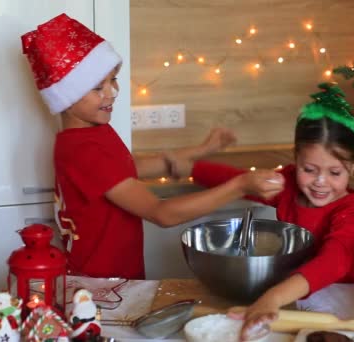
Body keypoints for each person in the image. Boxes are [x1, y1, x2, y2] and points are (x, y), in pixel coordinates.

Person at [20, 13, 284, 279]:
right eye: (98, 87)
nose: (112, 92)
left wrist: (201, 150)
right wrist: (240, 186)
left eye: (113, 80)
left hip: (110, 276)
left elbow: (126, 169)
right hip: (102, 285)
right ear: (67, 96)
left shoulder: (91, 132)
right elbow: (162, 213)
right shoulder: (84, 150)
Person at [172, 83, 354, 341]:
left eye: (335, 173)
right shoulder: (288, 185)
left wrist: (272, 298)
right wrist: (192, 169)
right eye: (309, 169)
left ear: (353, 164)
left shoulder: (352, 215)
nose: (320, 182)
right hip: (289, 304)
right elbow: (242, 181)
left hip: (342, 313)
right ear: (295, 158)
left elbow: (333, 261)